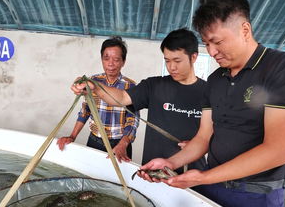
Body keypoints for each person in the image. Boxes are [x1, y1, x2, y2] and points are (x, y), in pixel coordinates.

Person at [139, 0, 285, 207]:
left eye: (218, 41)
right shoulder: (215, 80)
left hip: (256, 196)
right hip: (214, 188)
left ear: (244, 30)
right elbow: (203, 137)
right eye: (207, 43)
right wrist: (171, 163)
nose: (212, 51)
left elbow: (278, 150)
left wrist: (204, 177)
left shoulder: (284, 69)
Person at [71, 29, 207, 171]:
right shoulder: (153, 86)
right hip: (152, 171)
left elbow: (221, 133)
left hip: (191, 172)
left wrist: (201, 144)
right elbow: (122, 98)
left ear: (193, 57)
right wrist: (94, 87)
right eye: (167, 61)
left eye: (177, 61)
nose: (171, 67)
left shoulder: (209, 91)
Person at [57, 36, 139, 163]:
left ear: (123, 61)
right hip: (94, 142)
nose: (110, 64)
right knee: (91, 179)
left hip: (120, 145)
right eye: (106, 59)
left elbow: (133, 119)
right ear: (101, 59)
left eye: (116, 59)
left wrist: (123, 144)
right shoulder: (92, 81)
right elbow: (85, 111)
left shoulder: (130, 86)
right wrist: (72, 136)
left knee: (117, 181)